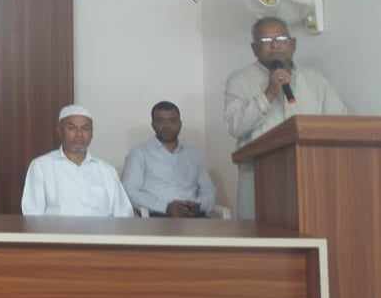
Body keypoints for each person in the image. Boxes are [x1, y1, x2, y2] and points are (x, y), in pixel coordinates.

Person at [225, 16, 346, 219]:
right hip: (259, 178)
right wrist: (270, 93)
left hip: (311, 175)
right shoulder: (240, 81)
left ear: (293, 44)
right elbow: (235, 126)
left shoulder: (315, 81)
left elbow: (339, 123)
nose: (275, 45)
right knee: (259, 236)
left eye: (281, 39)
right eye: (266, 41)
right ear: (254, 49)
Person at [21, 105, 134, 217]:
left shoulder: (107, 171)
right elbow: (32, 215)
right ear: (59, 131)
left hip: (101, 229)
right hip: (56, 229)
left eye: (85, 129)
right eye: (72, 128)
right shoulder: (41, 167)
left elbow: (124, 214)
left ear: (92, 134)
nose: (79, 134)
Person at [121, 101, 216, 217]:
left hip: (194, 215)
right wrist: (166, 207)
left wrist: (199, 205)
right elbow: (129, 191)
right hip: (159, 217)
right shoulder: (139, 153)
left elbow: (209, 191)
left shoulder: (194, 154)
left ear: (180, 124)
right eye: (160, 121)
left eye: (172, 120)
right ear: (153, 124)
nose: (167, 126)